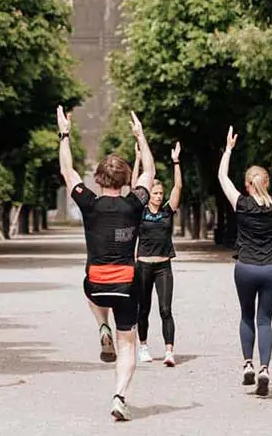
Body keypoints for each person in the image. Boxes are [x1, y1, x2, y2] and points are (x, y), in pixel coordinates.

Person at [58, 106, 154, 422]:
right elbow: (149, 174)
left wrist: (65, 135)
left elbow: (68, 172)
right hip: (127, 284)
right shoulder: (133, 203)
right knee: (128, 343)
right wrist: (141, 137)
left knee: (87, 285)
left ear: (98, 179)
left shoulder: (89, 203)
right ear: (125, 179)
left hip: (96, 284)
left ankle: (101, 324)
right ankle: (119, 396)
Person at [217, 126, 272, 397]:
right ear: (267, 184)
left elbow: (222, 177)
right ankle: (264, 368)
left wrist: (228, 149)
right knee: (265, 320)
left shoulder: (241, 203)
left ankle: (247, 364)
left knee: (246, 315)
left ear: (248, 185)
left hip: (246, 267)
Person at [131, 140, 182, 367]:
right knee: (144, 309)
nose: (159, 196)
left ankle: (169, 351)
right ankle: (143, 347)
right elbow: (134, 186)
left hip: (163, 266)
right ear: (148, 194)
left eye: (161, 192)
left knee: (165, 309)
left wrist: (176, 162)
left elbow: (178, 188)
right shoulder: (140, 211)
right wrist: (138, 159)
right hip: (143, 266)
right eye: (155, 192)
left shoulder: (167, 211)